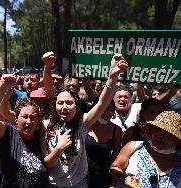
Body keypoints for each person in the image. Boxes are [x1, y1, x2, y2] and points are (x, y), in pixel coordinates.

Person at [41, 54, 128, 187]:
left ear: (77, 107)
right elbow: (48, 163)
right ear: (55, 106)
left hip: (79, 184)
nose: (64, 106)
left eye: (69, 103)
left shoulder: (82, 124)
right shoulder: (45, 126)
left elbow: (101, 104)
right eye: (60, 103)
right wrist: (59, 148)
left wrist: (113, 76)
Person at [0, 74, 49, 187]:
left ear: (38, 121)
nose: (28, 121)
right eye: (24, 116)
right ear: (16, 118)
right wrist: (2, 87)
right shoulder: (7, 133)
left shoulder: (42, 139)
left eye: (33, 117)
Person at [110, 111, 181, 187]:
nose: (160, 135)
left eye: (167, 133)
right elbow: (114, 169)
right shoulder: (134, 147)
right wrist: (124, 177)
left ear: (178, 140)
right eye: (157, 129)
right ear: (151, 130)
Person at [85, 99, 122, 188]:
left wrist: (113, 181)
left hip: (104, 177)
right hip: (83, 176)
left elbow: (116, 155)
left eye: (112, 109)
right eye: (105, 108)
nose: (109, 112)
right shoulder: (86, 125)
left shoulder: (117, 130)